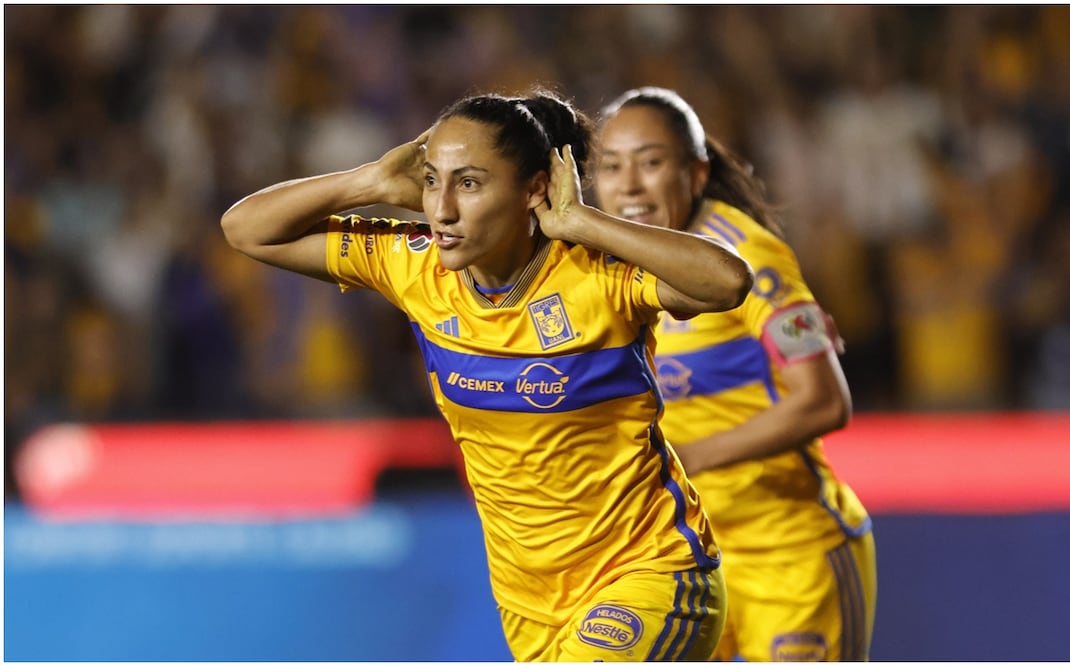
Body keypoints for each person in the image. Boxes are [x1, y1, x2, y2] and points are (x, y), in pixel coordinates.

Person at [221, 88, 755, 662]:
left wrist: (583, 221)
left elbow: (727, 282)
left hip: (649, 574)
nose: (442, 209)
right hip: (529, 606)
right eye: (432, 181)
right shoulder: (414, 267)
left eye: (469, 183)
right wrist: (370, 181)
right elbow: (246, 229)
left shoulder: (596, 275)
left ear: (534, 190)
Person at [592, 86, 877, 662]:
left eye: (650, 162)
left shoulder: (749, 259)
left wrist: (687, 458)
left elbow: (825, 400)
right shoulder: (597, 264)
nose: (629, 186)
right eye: (611, 166)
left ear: (696, 174)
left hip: (788, 556)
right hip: (682, 560)